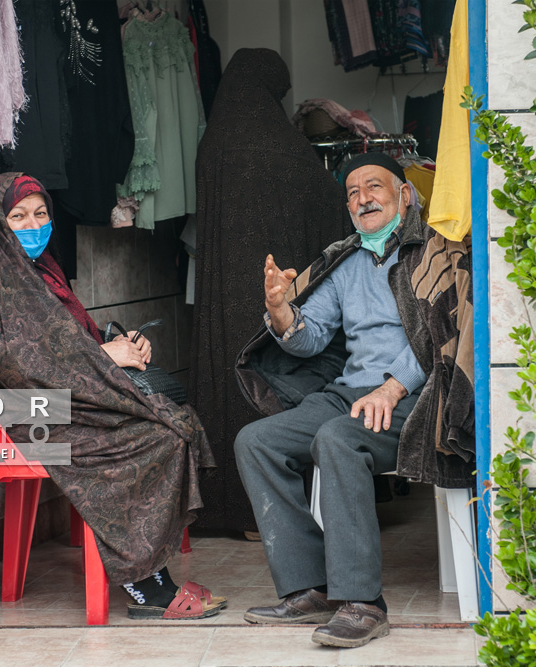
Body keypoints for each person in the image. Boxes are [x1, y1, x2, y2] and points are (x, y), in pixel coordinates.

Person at [0, 173, 225, 620]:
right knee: (152, 436)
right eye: (18, 216)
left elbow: (67, 342)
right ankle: (145, 586)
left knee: (170, 420)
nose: (32, 224)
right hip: (31, 413)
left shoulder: (39, 272)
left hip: (66, 398)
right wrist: (103, 358)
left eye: (40, 214)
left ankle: (152, 572)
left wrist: (121, 348)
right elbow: (24, 368)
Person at [234, 153, 475, 648]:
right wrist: (280, 312)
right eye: (352, 192)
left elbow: (446, 334)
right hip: (348, 393)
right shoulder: (345, 260)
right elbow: (310, 338)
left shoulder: (437, 252)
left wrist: (394, 385)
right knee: (256, 441)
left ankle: (364, 602)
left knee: (338, 439)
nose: (363, 198)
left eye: (374, 186)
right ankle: (311, 588)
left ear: (404, 194)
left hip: (416, 395)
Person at [189, 47, 349, 538]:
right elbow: (327, 205)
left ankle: (219, 508)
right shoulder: (285, 145)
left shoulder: (211, 143)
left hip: (219, 294)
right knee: (266, 385)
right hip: (273, 292)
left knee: (222, 384)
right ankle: (267, 514)